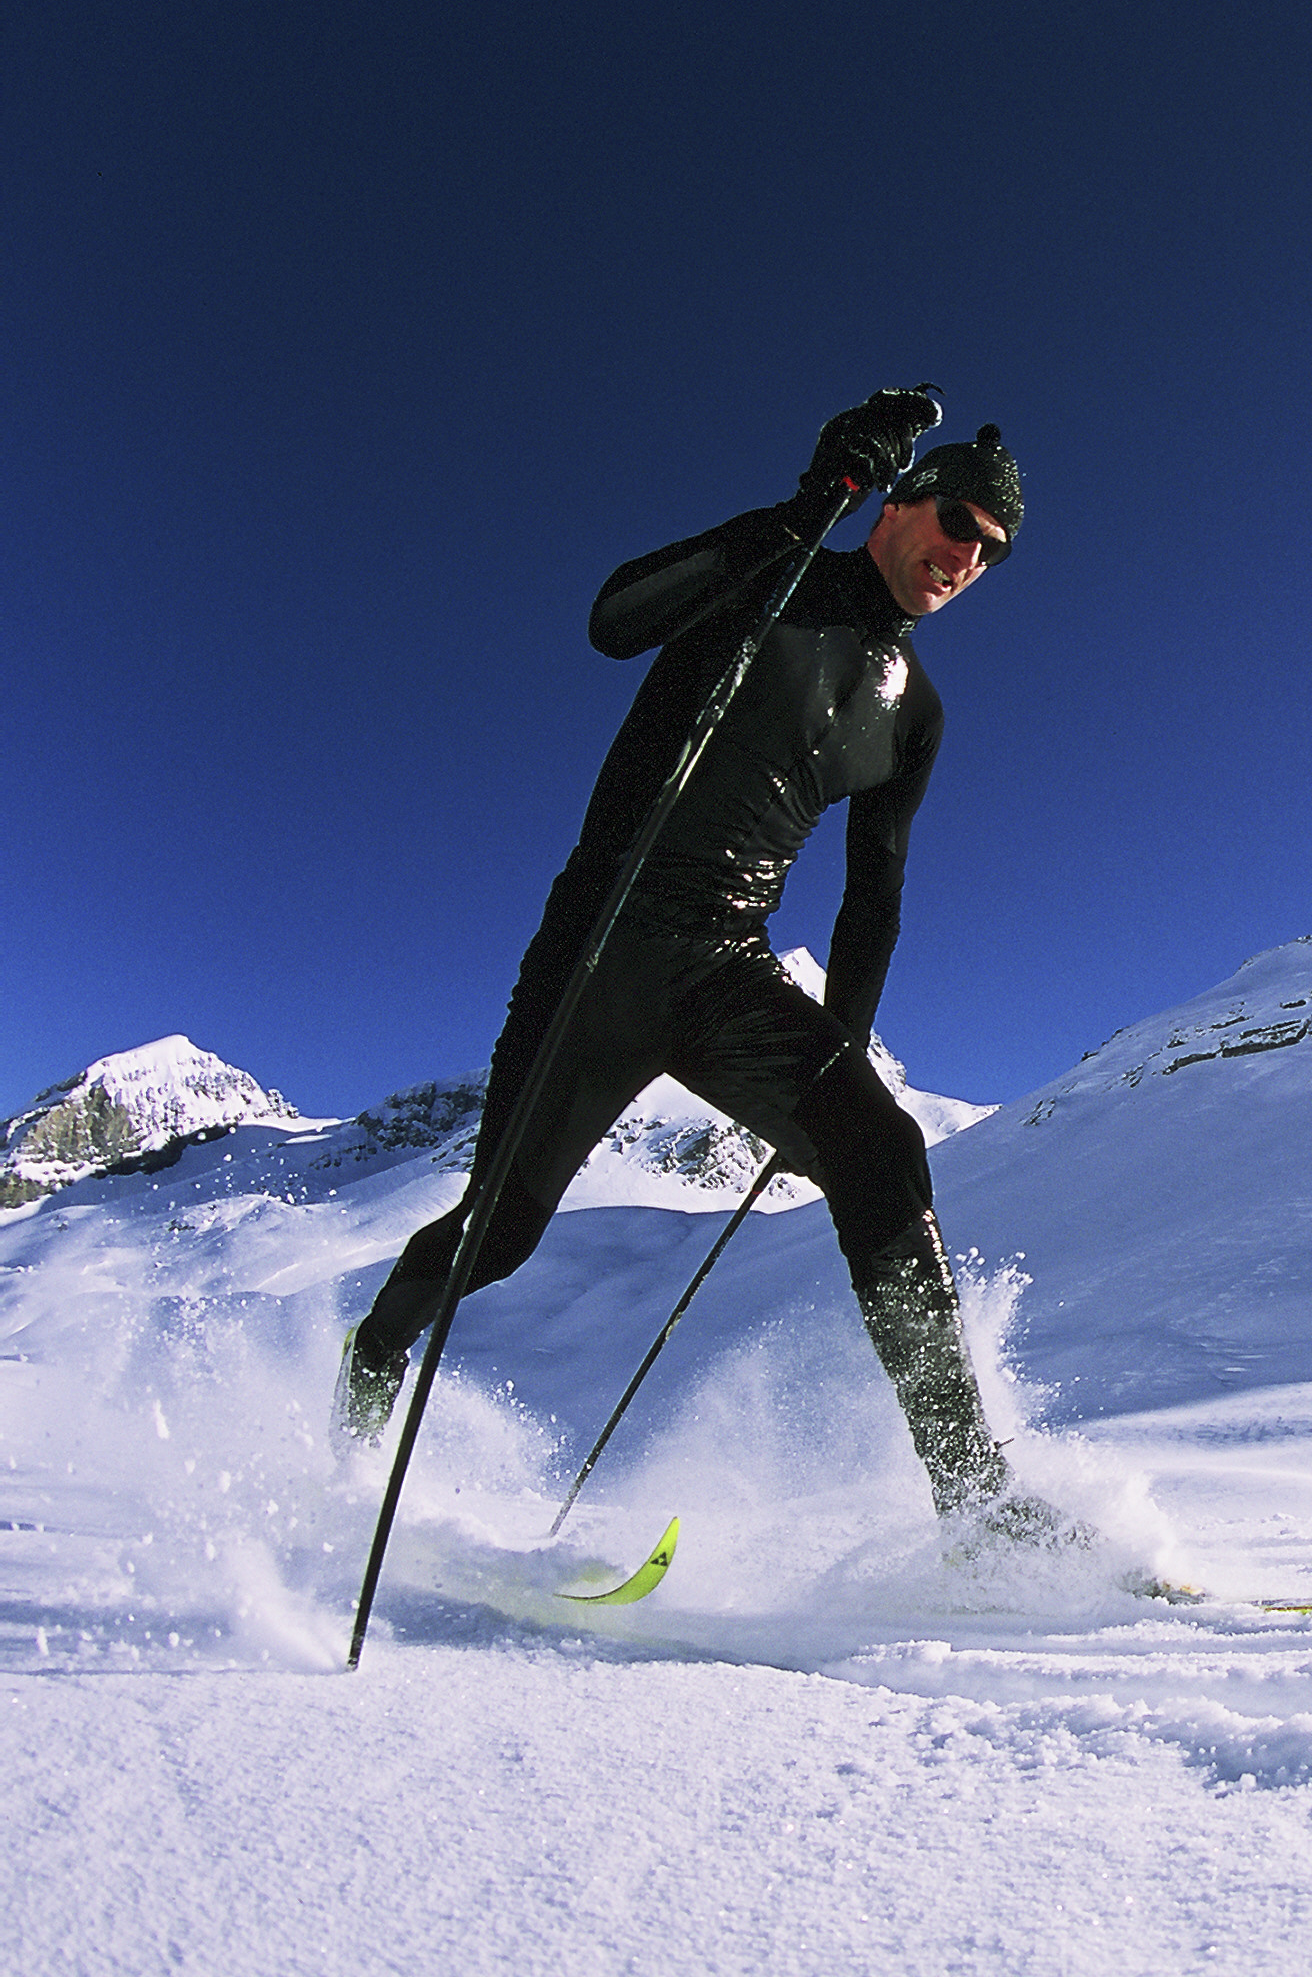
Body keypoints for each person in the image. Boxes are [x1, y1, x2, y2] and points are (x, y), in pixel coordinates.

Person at [338, 390, 1025, 1529]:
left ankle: (976, 1504)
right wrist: (810, 504)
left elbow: (874, 896)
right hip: (600, 943)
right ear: (900, 502)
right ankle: (373, 1356)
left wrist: (840, 1048)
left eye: (990, 550)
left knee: (882, 1147)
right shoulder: (776, 570)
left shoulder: (916, 713)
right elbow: (615, 617)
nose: (964, 556)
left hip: (725, 966)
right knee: (498, 1234)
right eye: (956, 519)